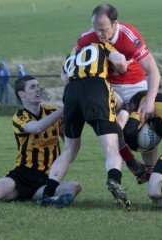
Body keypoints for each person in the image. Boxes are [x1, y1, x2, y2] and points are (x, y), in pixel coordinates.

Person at [0, 75, 82, 207]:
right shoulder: (19, 116)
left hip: (48, 178)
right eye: (33, 87)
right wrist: (65, 108)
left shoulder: (52, 111)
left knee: (75, 187)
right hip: (22, 175)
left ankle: (44, 199)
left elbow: (70, 145)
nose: (38, 90)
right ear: (22, 94)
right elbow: (37, 128)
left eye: (38, 86)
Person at [72, 4, 161, 180]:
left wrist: (150, 101)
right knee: (114, 127)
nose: (99, 34)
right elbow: (69, 64)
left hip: (135, 85)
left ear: (115, 24)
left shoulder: (129, 36)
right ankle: (130, 163)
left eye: (104, 29)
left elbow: (153, 71)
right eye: (96, 28)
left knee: (145, 129)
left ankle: (151, 173)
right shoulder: (87, 38)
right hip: (110, 87)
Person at [39, 42, 131, 210]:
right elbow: (120, 63)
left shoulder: (71, 55)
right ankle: (114, 180)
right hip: (95, 88)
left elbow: (64, 76)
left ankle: (48, 192)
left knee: (69, 150)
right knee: (111, 148)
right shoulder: (101, 44)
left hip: (71, 92)